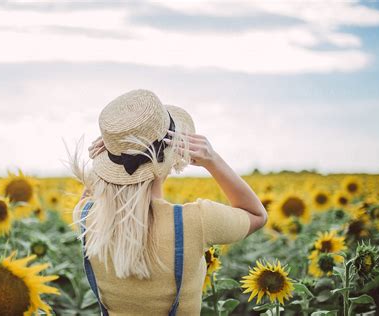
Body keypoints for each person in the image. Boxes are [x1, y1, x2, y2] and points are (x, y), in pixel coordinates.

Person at [66, 89, 267, 315]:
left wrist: (109, 158)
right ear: (173, 150)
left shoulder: (86, 218)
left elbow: (92, 193)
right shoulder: (196, 222)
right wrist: (213, 160)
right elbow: (257, 215)